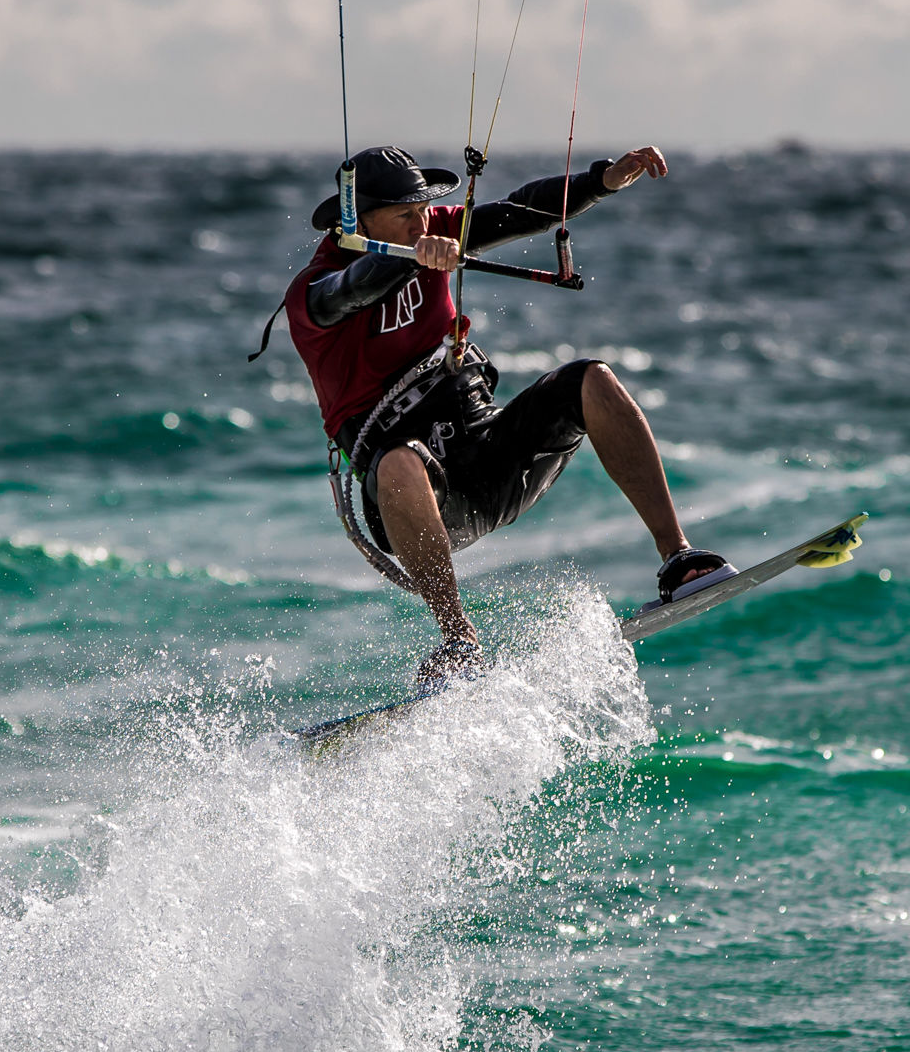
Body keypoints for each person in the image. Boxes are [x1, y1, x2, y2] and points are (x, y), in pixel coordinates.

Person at [284, 144, 732, 688]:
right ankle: (457, 640)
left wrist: (603, 181)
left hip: (487, 452)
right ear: (356, 220)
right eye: (404, 214)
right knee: (400, 462)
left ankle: (677, 559)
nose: (422, 220)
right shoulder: (311, 294)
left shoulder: (435, 232)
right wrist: (402, 258)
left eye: (424, 207)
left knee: (592, 379)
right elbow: (347, 292)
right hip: (414, 497)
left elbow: (519, 210)